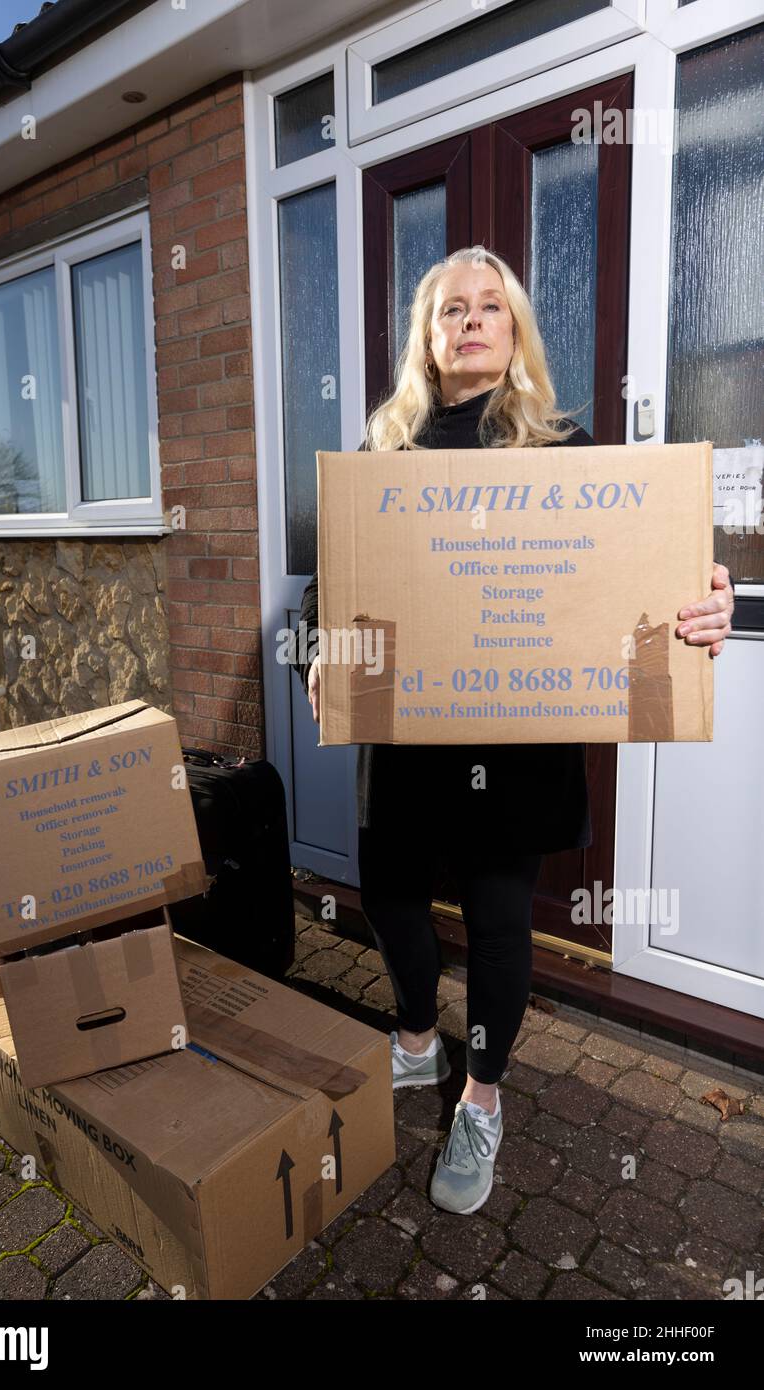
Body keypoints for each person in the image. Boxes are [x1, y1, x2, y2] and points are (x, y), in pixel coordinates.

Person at [296, 245, 734, 1217]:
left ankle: (481, 1095)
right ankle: (417, 1042)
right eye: (452, 308)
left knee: (498, 925)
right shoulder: (385, 460)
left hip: (521, 745)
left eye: (491, 306)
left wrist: (705, 600)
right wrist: (322, 652)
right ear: (428, 335)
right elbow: (338, 596)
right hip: (408, 743)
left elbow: (645, 578)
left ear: (514, 329)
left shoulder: (566, 453)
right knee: (392, 896)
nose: (471, 320)